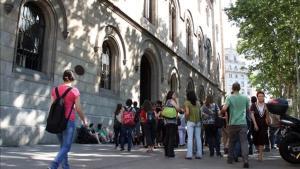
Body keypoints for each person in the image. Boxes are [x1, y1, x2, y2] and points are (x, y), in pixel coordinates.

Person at [48, 69, 87, 169]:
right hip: (68, 121)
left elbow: (51, 107)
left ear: (63, 78)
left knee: (63, 146)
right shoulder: (74, 91)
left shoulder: (55, 90)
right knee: (67, 146)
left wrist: (50, 120)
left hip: (56, 121)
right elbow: (78, 108)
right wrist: (84, 120)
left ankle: (65, 166)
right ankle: (53, 165)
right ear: (72, 78)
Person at [221, 82, 250, 168]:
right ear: (240, 88)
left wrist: (221, 112)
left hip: (232, 123)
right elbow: (247, 110)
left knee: (232, 142)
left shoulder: (229, 97)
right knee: (244, 142)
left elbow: (224, 108)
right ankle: (245, 160)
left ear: (232, 89)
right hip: (243, 123)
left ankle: (230, 159)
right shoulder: (245, 98)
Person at [250, 91, 271, 161]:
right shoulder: (253, 105)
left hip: (264, 125)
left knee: (261, 139)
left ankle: (260, 154)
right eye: (259, 96)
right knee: (255, 139)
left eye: (262, 96)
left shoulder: (266, 105)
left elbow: (268, 117)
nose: (260, 97)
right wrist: (255, 124)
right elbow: (252, 115)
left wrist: (267, 111)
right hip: (255, 124)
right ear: (257, 97)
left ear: (264, 97)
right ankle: (259, 150)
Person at [184, 91, 202, 159]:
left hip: (190, 121)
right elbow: (200, 112)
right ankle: (199, 154)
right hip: (198, 122)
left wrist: (186, 118)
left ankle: (189, 155)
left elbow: (187, 113)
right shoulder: (198, 103)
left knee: (190, 138)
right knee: (198, 138)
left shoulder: (187, 102)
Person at [163, 91, 181, 158]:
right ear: (171, 95)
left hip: (167, 121)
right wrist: (177, 101)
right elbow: (178, 109)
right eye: (174, 94)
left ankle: (167, 152)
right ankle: (171, 153)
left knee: (167, 136)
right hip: (172, 121)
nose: (175, 95)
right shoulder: (172, 101)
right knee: (171, 137)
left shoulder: (167, 101)